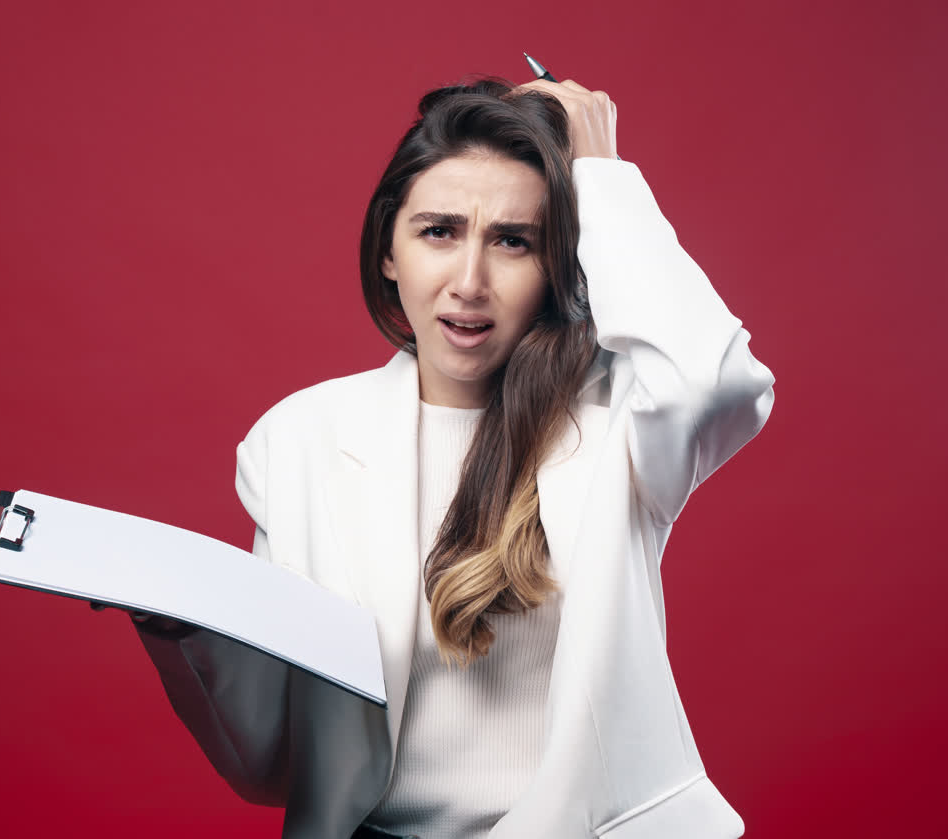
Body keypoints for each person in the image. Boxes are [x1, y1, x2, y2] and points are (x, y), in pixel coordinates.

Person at [118, 74, 775, 839]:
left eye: (512, 241)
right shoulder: (298, 438)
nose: (469, 283)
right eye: (438, 232)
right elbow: (274, 764)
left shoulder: (614, 423)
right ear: (388, 252)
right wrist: (183, 630)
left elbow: (717, 381)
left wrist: (602, 172)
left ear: (557, 265)